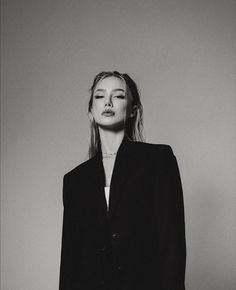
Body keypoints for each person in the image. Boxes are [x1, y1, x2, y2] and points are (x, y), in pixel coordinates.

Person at [59, 71, 186, 290]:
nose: (107, 101)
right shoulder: (75, 180)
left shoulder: (157, 160)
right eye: (99, 96)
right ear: (91, 112)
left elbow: (171, 244)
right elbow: (71, 260)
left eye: (118, 96)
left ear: (132, 110)